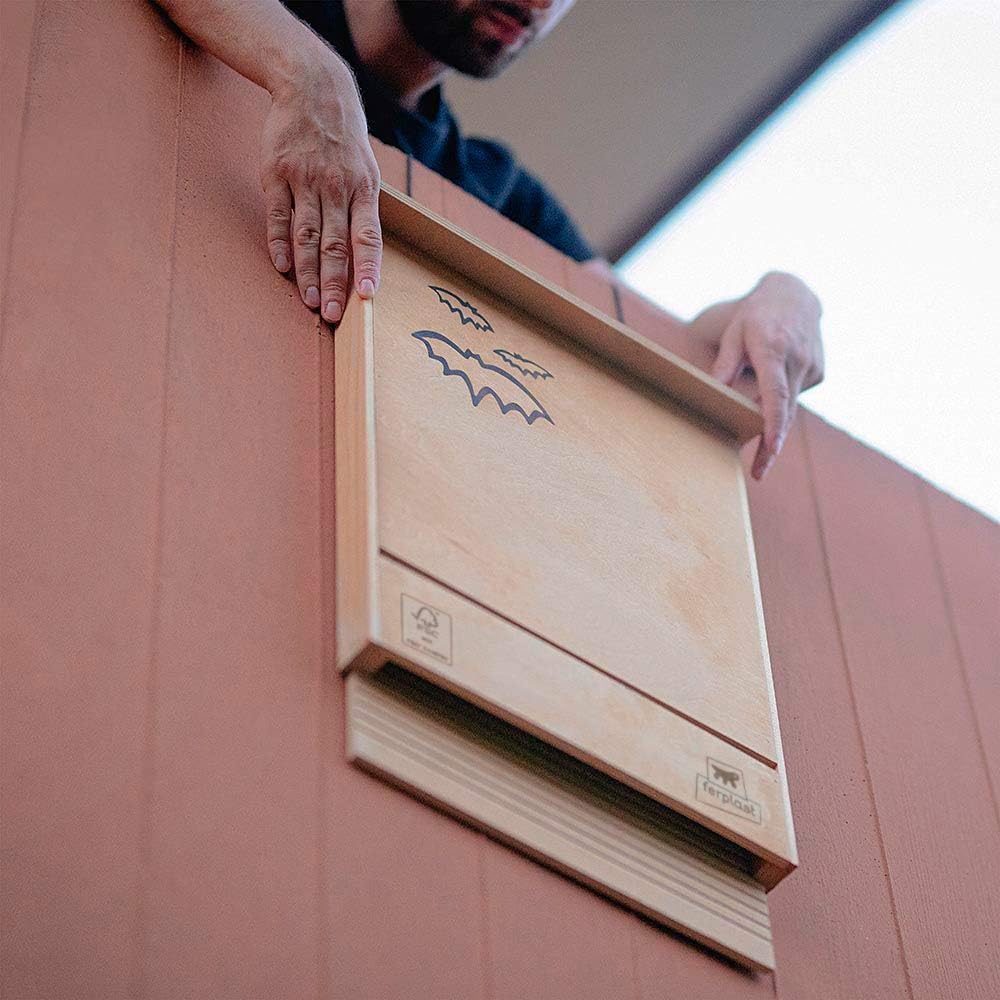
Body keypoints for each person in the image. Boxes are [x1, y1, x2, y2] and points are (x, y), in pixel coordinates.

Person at [154, 0, 824, 479]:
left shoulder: (498, 187)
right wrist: (309, 74)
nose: (540, 4)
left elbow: (650, 332)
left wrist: (783, 297)